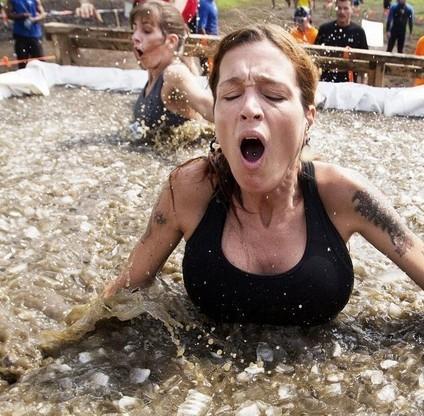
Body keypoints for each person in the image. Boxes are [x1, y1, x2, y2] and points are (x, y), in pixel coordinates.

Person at [102, 24, 424, 327]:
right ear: (215, 115)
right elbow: (124, 291)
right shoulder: (190, 190)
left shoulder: (343, 195)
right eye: (230, 96)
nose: (250, 109)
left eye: (273, 95)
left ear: (308, 116)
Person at [130, 1, 213, 135]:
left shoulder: (174, 73)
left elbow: (208, 106)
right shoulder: (153, 74)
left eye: (146, 31)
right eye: (134, 30)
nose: (135, 37)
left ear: (171, 41)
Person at [315, 0, 368, 82]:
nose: (342, 12)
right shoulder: (325, 29)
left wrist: (363, 82)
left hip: (349, 81)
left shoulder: (359, 32)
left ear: (351, 9)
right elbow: (314, 55)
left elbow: (366, 61)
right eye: (339, 8)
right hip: (327, 81)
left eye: (345, 8)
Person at [76, 0, 199, 33]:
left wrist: (175, 22)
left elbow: (177, 6)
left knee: (184, 58)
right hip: (149, 10)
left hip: (183, 13)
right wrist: (86, 4)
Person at [6, 0, 46, 69]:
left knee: (40, 62)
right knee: (23, 63)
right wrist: (21, 15)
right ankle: (25, 79)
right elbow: (9, 14)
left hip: (35, 35)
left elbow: (43, 14)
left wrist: (34, 19)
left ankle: (40, 78)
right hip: (20, 35)